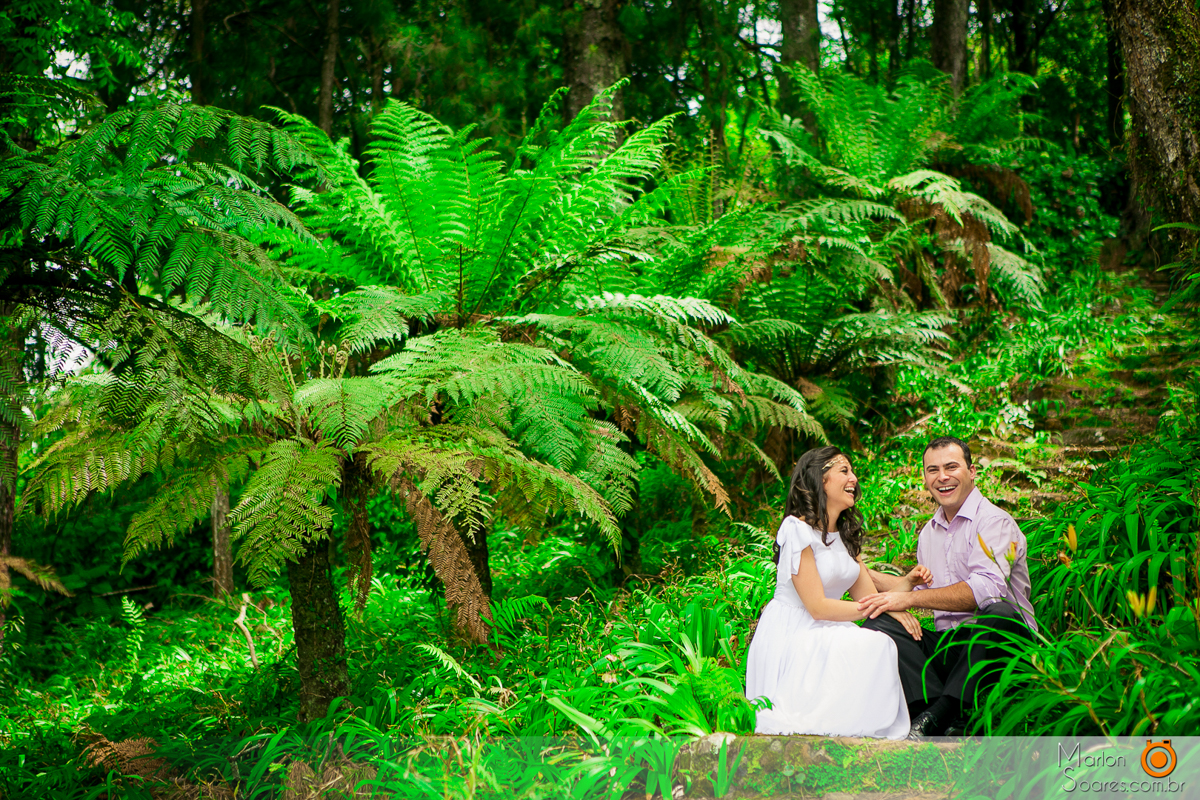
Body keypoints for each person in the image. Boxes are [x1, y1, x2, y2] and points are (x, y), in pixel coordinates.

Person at [858, 435, 1038, 736]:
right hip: (951, 647)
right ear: (925, 479)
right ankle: (927, 711)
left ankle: (942, 712)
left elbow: (984, 591)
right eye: (932, 470)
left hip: (998, 645)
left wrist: (911, 601)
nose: (942, 477)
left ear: (971, 472)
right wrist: (865, 575)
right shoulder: (929, 533)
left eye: (951, 467)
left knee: (1000, 612)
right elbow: (921, 591)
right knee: (880, 623)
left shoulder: (995, 522)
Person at [745, 446, 928, 739]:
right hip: (795, 631)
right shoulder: (796, 530)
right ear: (820, 480)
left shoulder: (843, 535)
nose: (853, 478)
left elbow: (865, 594)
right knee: (872, 645)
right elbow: (817, 606)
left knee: (883, 642)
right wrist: (884, 603)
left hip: (829, 627)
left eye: (852, 471)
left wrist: (902, 593)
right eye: (844, 471)